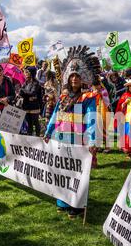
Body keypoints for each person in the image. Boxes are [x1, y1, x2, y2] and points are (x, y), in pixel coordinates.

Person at [44, 45, 106, 219]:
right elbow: (56, 115)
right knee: (61, 170)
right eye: (72, 76)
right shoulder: (63, 97)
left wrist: (93, 140)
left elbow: (93, 119)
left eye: (77, 77)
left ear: (83, 78)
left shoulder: (88, 98)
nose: (74, 80)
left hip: (78, 140)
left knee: (76, 172)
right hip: (60, 138)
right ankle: (63, 202)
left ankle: (77, 205)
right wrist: (48, 132)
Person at [115, 79, 131, 161]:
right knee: (129, 139)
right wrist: (124, 104)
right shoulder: (125, 96)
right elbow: (119, 108)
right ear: (128, 87)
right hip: (127, 120)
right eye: (130, 86)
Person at [19, 67, 43, 136]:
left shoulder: (36, 83)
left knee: (35, 123)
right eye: (25, 72)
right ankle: (30, 139)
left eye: (27, 72)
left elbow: (32, 92)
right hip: (26, 106)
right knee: (29, 124)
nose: (25, 73)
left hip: (34, 107)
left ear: (32, 73)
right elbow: (21, 94)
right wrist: (27, 95)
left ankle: (38, 137)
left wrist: (23, 91)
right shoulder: (25, 82)